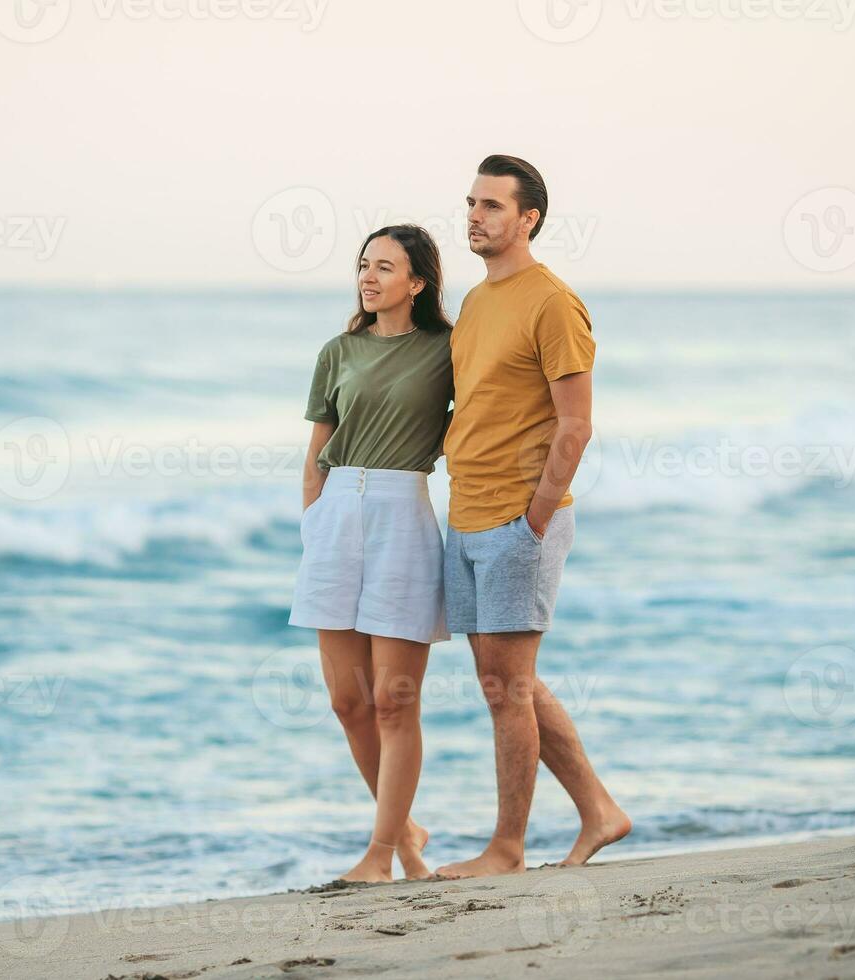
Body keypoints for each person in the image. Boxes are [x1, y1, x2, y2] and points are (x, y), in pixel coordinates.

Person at [436, 155, 632, 880]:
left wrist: (535, 520)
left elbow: (574, 425)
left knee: (506, 688)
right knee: (504, 681)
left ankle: (507, 849)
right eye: (471, 203)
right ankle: (600, 811)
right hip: (467, 513)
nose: (475, 216)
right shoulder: (482, 302)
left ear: (529, 219)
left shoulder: (553, 302)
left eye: (492, 205)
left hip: (519, 521)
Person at [288, 224, 454, 882]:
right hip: (336, 511)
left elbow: (483, 413)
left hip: (401, 509)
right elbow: (314, 454)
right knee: (348, 702)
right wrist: (313, 527)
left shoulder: (446, 348)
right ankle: (407, 836)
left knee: (395, 700)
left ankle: (382, 854)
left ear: (417, 282)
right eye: (364, 265)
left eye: (386, 267)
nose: (369, 276)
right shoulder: (339, 350)